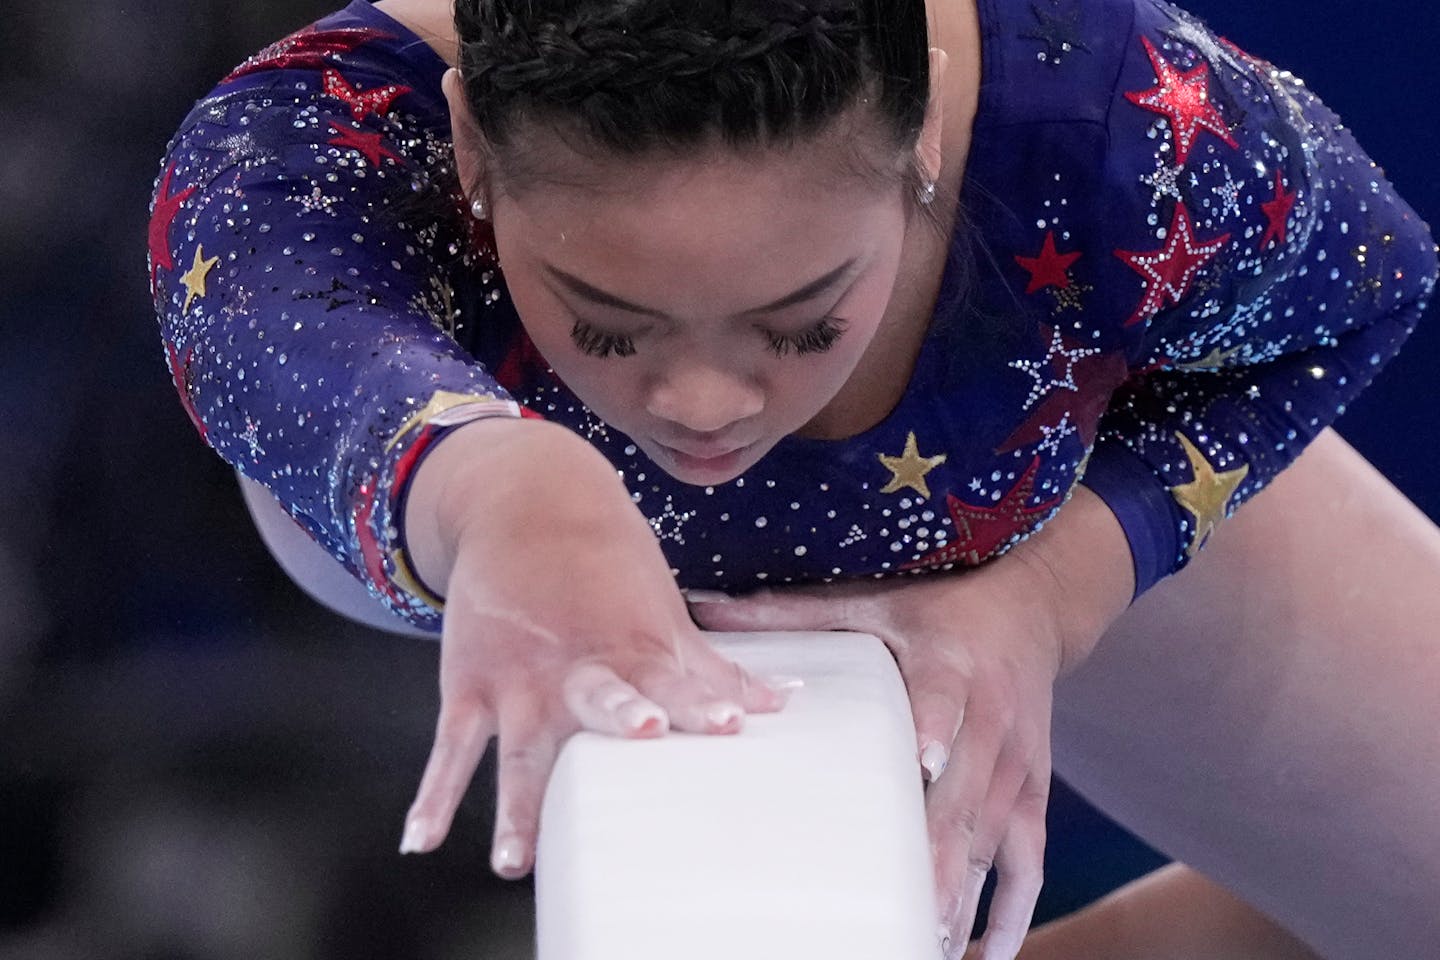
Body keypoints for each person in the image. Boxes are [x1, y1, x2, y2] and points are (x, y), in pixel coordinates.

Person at [147, 0, 1438, 955]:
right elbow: (246, 323)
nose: (705, 407)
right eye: (608, 325)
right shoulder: (323, 145)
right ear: (474, 141)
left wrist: (1063, 586)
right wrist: (493, 489)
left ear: (923, 125)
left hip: (1003, 506)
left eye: (803, 322)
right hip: (465, 506)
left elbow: (1373, 290)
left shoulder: (1127, 132)